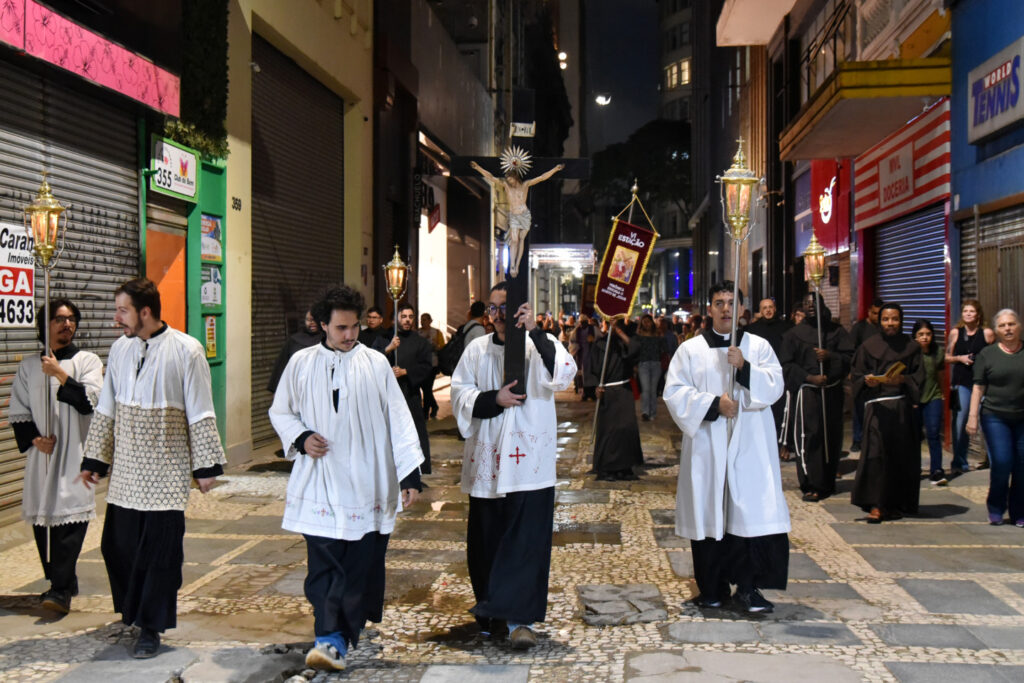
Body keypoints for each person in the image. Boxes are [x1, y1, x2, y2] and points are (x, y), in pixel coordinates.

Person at [269, 285, 422, 671]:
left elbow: (398, 419)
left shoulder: (374, 363)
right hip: (320, 480)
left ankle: (340, 632)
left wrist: (410, 474)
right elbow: (281, 410)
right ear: (323, 325)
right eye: (341, 328)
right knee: (323, 564)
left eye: (354, 327)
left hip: (368, 481)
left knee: (359, 566)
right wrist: (302, 438)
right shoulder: (301, 362)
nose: (350, 335)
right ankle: (330, 637)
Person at [79, 278, 226, 658]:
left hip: (166, 470)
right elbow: (107, 407)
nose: (116, 318)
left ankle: (151, 626)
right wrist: (95, 459)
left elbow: (200, 409)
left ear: (145, 311)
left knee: (160, 555)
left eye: (122, 310)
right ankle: (135, 610)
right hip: (128, 472)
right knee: (117, 547)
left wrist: (205, 465)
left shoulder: (187, 350)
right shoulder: (120, 349)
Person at [450, 281, 576, 649]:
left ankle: (521, 621)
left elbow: (566, 374)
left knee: (525, 545)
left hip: (530, 468)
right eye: (493, 308)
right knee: (486, 542)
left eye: (507, 307)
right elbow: (460, 392)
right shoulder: (476, 349)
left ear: (523, 310)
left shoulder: (542, 346)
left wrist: (537, 333)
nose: (499, 315)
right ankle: (490, 613)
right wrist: (495, 399)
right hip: (487, 463)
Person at [663, 282, 790, 613]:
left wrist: (745, 368)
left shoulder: (758, 347)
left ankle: (749, 588)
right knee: (709, 513)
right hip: (708, 444)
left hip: (749, 444)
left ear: (742, 309)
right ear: (709, 309)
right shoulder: (690, 350)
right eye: (718, 302)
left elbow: (775, 386)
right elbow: (674, 392)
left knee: (747, 514)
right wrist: (713, 405)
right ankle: (713, 588)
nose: (725, 309)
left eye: (732, 303)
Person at [10, 299, 103, 614]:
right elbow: (18, 411)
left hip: (75, 452)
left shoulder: (87, 361)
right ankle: (60, 580)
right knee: (43, 522)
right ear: (44, 325)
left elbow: (90, 401)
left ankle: (60, 589)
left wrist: (59, 374)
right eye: (59, 319)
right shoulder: (27, 367)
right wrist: (35, 438)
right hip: (44, 456)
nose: (67, 324)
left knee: (70, 521)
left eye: (72, 319)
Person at [849, 302, 924, 524]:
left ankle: (894, 504)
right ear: (879, 321)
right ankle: (876, 504)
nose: (890, 323)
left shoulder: (912, 347)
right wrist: (867, 381)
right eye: (886, 319)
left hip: (901, 410)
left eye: (894, 319)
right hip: (877, 408)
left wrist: (903, 379)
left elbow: (919, 377)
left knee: (899, 458)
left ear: (901, 321)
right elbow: (856, 375)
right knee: (875, 456)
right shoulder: (868, 346)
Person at [779, 293, 853, 501]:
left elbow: (849, 358)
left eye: (814, 303)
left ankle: (827, 482)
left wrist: (831, 358)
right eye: (806, 303)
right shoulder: (793, 335)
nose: (810, 306)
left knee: (831, 437)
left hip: (831, 392)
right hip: (807, 393)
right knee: (810, 437)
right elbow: (786, 365)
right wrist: (809, 377)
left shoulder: (836, 332)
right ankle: (810, 483)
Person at [966, 309, 1024, 527]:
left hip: (1022, 417)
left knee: (1021, 465)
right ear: (996, 330)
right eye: (1002, 325)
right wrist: (972, 417)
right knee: (1001, 461)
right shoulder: (987, 355)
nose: (1007, 329)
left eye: (1011, 324)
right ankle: (996, 506)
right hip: (994, 416)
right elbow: (978, 387)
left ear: (1019, 326)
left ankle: (1019, 509)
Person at [469, 158, 564, 277]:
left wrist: (555, 169)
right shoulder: (506, 186)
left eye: (511, 180)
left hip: (524, 215)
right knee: (514, 240)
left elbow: (541, 177)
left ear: (515, 177)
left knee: (521, 239)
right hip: (514, 215)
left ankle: (517, 264)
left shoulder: (525, 185)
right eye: (508, 180)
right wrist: (478, 168)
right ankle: (512, 264)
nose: (510, 182)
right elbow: (491, 177)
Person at [378, 303, 433, 475]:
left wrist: (406, 372)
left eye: (410, 317)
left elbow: (426, 367)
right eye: (404, 316)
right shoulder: (384, 338)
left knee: (414, 430)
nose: (407, 320)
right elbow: (371, 360)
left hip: (410, 392)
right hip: (388, 394)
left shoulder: (420, 342)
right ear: (396, 318)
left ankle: (418, 468)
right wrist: (389, 349)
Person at [946, 299, 994, 473]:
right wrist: (960, 358)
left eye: (971, 311)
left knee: (988, 421)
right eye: (965, 311)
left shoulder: (987, 333)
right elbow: (946, 357)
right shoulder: (956, 333)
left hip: (982, 383)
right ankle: (959, 462)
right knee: (960, 422)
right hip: (962, 383)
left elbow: (995, 353)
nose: (968, 314)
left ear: (978, 314)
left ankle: (993, 460)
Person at [592, 320, 642, 480]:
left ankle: (625, 467)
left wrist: (619, 332)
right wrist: (595, 387)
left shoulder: (625, 343)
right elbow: (593, 367)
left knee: (626, 429)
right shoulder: (600, 344)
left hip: (624, 389)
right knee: (609, 431)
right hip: (607, 390)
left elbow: (636, 349)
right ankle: (607, 468)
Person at [746, 298, 794, 461]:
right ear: (760, 310)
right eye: (764, 308)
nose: (768, 310)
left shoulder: (787, 328)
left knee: (782, 413)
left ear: (775, 309)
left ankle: (783, 445)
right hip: (758, 377)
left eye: (770, 307)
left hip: (780, 376)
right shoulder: (751, 330)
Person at [913, 320, 947, 486]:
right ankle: (914, 468)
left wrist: (943, 394)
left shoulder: (937, 352)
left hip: (933, 396)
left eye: (928, 334)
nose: (925, 338)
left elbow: (941, 374)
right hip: (914, 399)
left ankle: (937, 470)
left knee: (933, 433)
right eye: (921, 335)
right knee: (915, 435)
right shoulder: (910, 353)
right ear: (915, 336)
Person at [848, 298, 884, 452]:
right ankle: (858, 439)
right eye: (875, 313)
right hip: (861, 373)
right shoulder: (860, 328)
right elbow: (850, 349)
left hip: (879, 373)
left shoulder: (883, 328)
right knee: (859, 408)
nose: (877, 316)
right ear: (870, 312)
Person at [267, 310, 322, 393]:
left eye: (315, 320)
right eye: (308, 320)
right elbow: (281, 366)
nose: (312, 323)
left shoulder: (329, 341)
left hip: (319, 388)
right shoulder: (294, 340)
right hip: (297, 388)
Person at [633, 314, 667, 421]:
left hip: (656, 363)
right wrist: (635, 365)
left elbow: (664, 349)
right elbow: (635, 351)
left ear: (652, 322)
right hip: (643, 364)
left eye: (648, 321)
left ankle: (653, 412)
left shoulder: (657, 334)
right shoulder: (638, 335)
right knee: (646, 389)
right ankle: (645, 412)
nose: (646, 323)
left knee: (653, 390)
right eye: (644, 322)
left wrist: (662, 338)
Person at [418, 313, 445, 419]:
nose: (423, 322)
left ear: (430, 321)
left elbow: (442, 348)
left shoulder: (436, 333)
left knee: (427, 388)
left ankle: (425, 411)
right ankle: (434, 406)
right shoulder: (418, 333)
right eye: (421, 319)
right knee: (425, 388)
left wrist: (435, 346)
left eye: (425, 319)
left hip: (433, 364)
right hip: (421, 364)